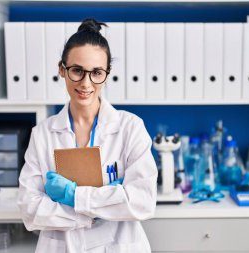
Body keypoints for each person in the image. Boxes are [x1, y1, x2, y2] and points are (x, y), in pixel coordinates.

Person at [17, 18, 158, 253]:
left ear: (107, 73)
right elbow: (30, 210)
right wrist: (108, 201)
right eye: (77, 71)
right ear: (62, 70)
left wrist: (73, 197)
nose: (86, 83)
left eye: (97, 73)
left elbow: (143, 202)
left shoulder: (130, 127)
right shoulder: (42, 135)